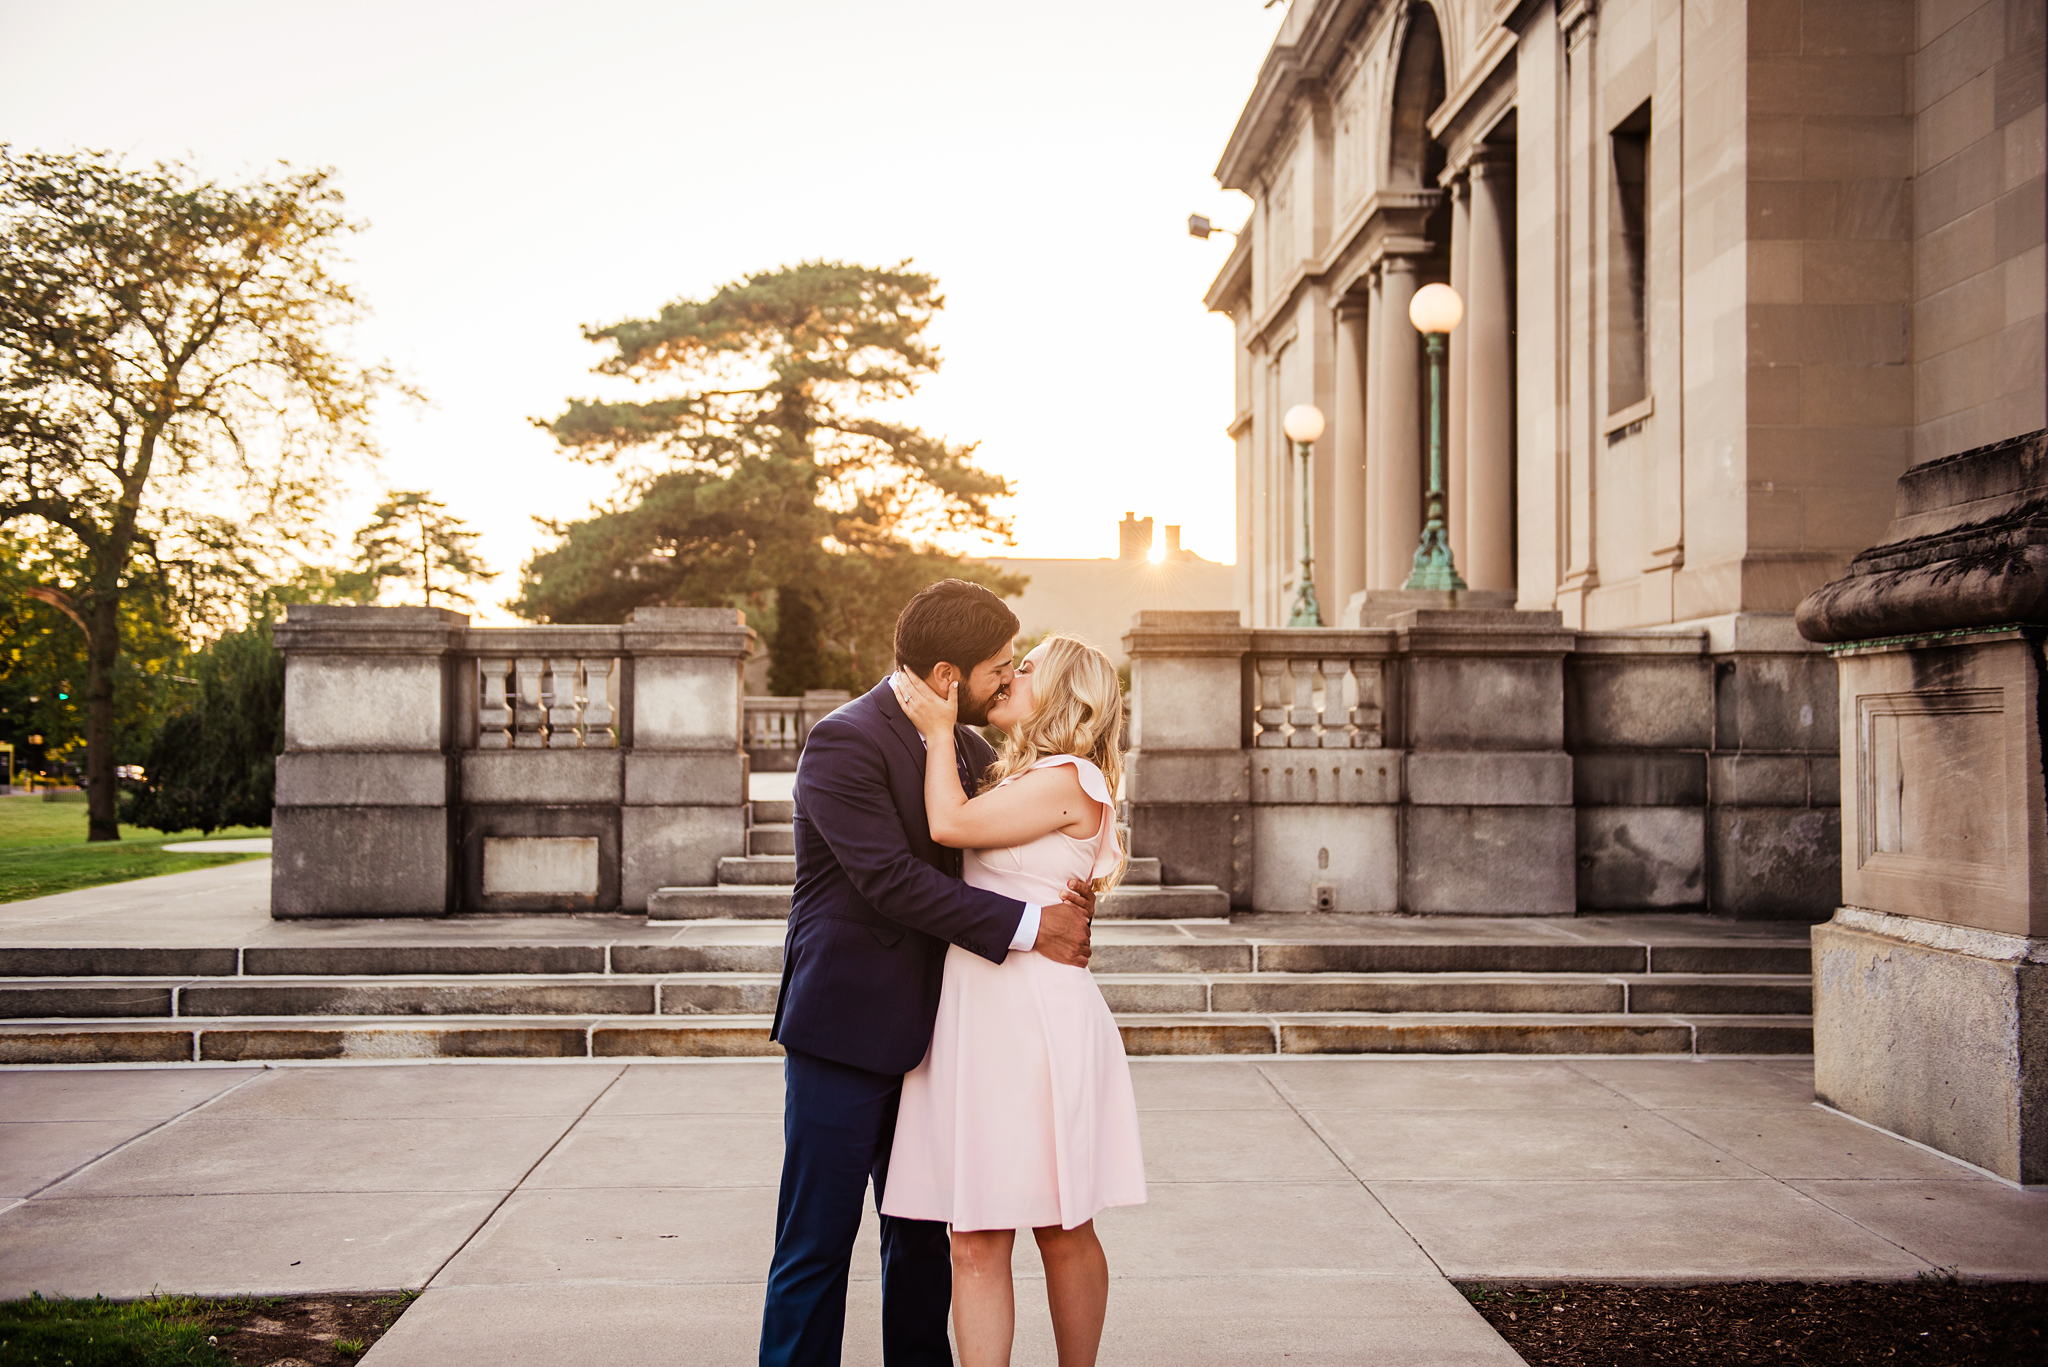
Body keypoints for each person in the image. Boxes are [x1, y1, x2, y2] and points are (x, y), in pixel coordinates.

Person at [760, 579, 1098, 1367]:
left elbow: (1014, 850)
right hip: (846, 1029)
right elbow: (889, 880)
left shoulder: (975, 750)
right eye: (1000, 670)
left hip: (943, 1039)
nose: (1010, 682)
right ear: (950, 676)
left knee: (920, 1244)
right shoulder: (843, 740)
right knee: (816, 1244)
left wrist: (1069, 895)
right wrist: (1031, 927)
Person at [881, 633, 1147, 1367]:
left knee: (1060, 1226)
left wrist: (937, 730)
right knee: (972, 1233)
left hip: (1034, 1022)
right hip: (977, 1014)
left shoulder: (1070, 778)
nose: (1006, 678)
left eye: (1025, 669)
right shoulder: (1019, 775)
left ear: (1063, 693)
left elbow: (950, 826)